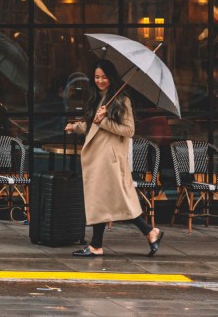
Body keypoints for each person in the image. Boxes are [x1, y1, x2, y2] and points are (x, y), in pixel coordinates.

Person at [66, 59, 163, 257]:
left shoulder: (121, 100)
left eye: (104, 77)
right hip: (99, 157)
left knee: (115, 201)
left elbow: (129, 130)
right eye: (96, 77)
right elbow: (93, 124)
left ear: (111, 77)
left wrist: (105, 121)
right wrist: (76, 127)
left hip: (109, 159)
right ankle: (100, 244)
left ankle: (146, 232)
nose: (100, 81)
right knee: (102, 201)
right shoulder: (99, 98)